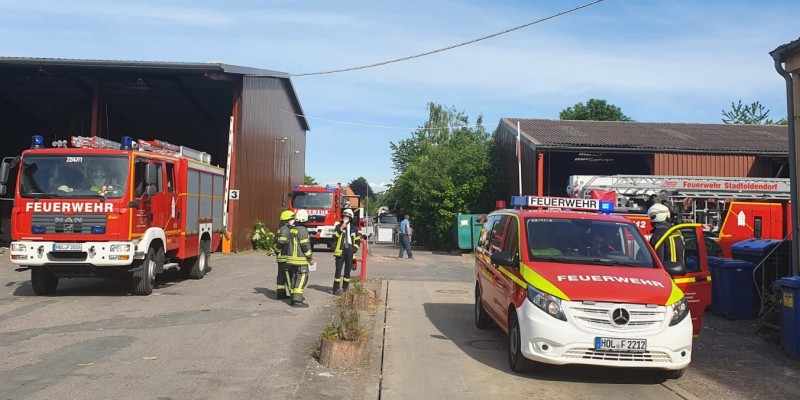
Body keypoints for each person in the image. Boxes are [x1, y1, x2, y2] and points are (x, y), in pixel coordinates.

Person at [285, 209, 313, 308]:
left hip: (291, 259)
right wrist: (310, 258)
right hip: (300, 259)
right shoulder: (303, 230)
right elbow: (305, 246)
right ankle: (297, 301)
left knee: (294, 278)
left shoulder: (293, 229)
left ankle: (294, 297)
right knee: (301, 278)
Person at [332, 209, 360, 295]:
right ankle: (336, 289)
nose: (346, 218)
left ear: (350, 218)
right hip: (341, 249)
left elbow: (357, 241)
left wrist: (354, 249)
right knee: (338, 270)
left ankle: (345, 288)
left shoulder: (354, 228)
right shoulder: (338, 226)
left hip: (350, 250)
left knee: (347, 271)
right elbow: (334, 238)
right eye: (344, 216)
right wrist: (341, 228)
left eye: (347, 217)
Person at [275, 209, 295, 300]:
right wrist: (277, 249)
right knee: (288, 275)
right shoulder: (285, 229)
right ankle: (293, 295)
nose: (293, 220)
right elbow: (282, 242)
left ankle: (281, 293)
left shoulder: (282, 228)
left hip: (281, 257)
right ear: (287, 220)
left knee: (281, 276)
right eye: (292, 218)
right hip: (285, 256)